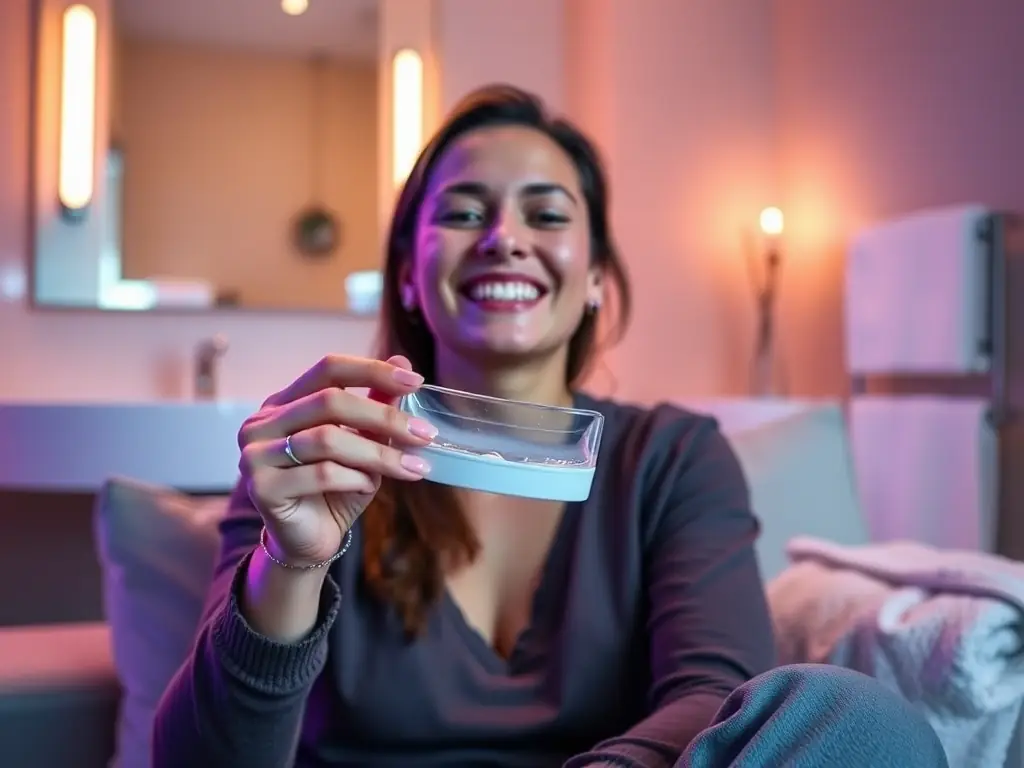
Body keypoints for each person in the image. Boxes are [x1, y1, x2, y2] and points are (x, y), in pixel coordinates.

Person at [153, 85, 947, 768]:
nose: (505, 237)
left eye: (546, 212)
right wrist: (288, 566)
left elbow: (715, 696)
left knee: (861, 720)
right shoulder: (318, 458)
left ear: (597, 275)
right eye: (465, 212)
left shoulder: (669, 457)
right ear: (407, 271)